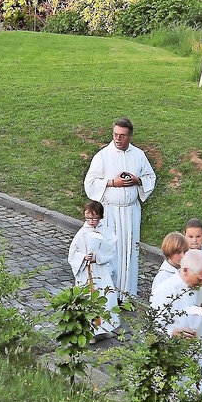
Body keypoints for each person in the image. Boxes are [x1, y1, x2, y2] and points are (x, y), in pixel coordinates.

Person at [83, 118, 157, 297]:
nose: (118, 139)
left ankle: (127, 294)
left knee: (130, 251)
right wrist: (112, 183)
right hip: (110, 211)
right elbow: (90, 183)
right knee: (111, 250)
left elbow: (150, 177)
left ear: (130, 136)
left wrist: (137, 180)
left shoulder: (138, 155)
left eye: (122, 136)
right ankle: (108, 295)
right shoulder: (103, 156)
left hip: (131, 211)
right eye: (115, 134)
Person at [150, 249, 202, 402]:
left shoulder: (200, 287)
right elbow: (152, 326)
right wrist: (173, 332)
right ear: (185, 270)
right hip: (174, 355)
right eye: (200, 278)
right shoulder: (165, 291)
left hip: (200, 352)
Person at [67, 200, 120, 337]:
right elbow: (73, 253)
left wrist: (98, 255)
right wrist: (83, 257)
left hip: (100, 270)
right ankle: (90, 331)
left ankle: (104, 328)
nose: (91, 221)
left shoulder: (105, 231)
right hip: (86, 271)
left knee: (104, 297)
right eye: (88, 218)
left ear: (101, 217)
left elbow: (111, 247)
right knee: (89, 299)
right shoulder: (82, 233)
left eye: (94, 218)